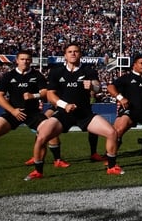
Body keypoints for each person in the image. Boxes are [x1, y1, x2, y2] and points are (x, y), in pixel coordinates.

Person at [28, 43, 123, 180]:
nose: (73, 54)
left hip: (84, 114)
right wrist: (64, 105)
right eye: (70, 51)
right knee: (42, 136)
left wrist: (93, 86)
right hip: (63, 114)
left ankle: (112, 167)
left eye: (76, 51)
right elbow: (50, 95)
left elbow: (98, 88)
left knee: (112, 132)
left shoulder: (88, 71)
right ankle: (38, 171)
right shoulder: (56, 72)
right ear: (65, 55)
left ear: (80, 55)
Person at [0, 50, 69, 174]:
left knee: (49, 132)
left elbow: (45, 92)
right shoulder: (8, 76)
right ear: (17, 60)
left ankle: (57, 160)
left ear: (31, 61)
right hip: (13, 112)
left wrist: (33, 95)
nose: (25, 61)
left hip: (33, 113)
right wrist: (13, 111)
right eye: (22, 59)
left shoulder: (37, 75)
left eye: (28, 59)